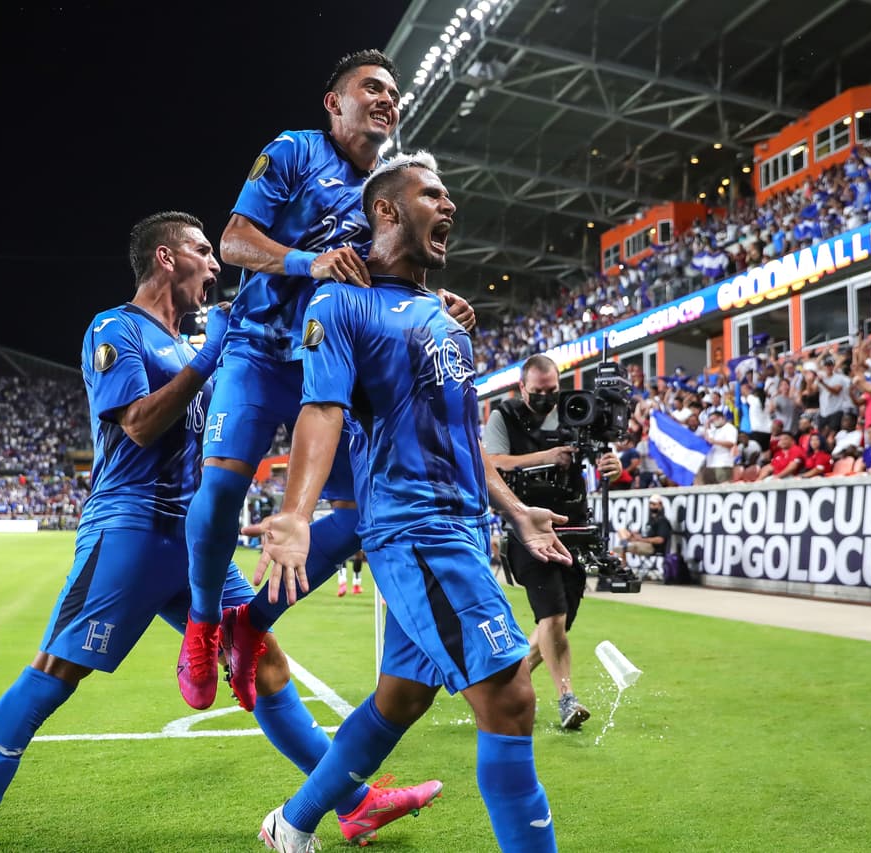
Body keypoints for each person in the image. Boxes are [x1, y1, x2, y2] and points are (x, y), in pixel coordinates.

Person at [0, 213, 432, 853]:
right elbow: (138, 424)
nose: (215, 264)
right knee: (55, 669)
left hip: (196, 539)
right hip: (131, 527)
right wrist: (208, 357)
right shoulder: (116, 328)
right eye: (203, 250)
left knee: (264, 659)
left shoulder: (191, 343)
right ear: (166, 259)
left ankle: (354, 805)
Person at [245, 152, 566, 853]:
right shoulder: (342, 300)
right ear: (386, 210)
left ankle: (293, 822)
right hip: (416, 531)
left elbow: (454, 436)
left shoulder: (443, 318)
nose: (449, 206)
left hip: (461, 525)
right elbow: (322, 408)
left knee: (402, 697)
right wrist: (295, 512)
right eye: (432, 195)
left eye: (450, 196)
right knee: (510, 695)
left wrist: (514, 510)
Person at [178, 49, 475, 711]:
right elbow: (233, 241)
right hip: (258, 351)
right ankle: (202, 624)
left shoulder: (387, 194)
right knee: (224, 487)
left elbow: (394, 269)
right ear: (333, 103)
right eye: (371, 87)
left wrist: (438, 302)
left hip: (334, 363)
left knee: (357, 519)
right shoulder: (293, 151)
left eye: (393, 93)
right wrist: (311, 261)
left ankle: (248, 623)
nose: (385, 99)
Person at [482, 354, 622, 731]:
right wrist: (546, 456)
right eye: (539, 391)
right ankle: (566, 699)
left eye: (553, 390)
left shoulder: (576, 409)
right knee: (553, 616)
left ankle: (497, 687)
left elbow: (600, 452)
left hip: (574, 530)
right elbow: (491, 463)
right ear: (522, 387)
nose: (547, 397)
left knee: (557, 624)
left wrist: (614, 465)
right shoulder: (504, 416)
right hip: (528, 532)